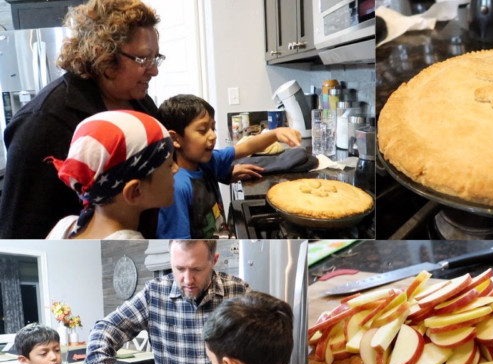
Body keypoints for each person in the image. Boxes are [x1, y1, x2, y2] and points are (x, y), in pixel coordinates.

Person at [0, 0, 163, 239]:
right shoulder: (44, 123)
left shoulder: (141, 104)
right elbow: (20, 231)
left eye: (156, 58)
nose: (154, 70)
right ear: (104, 57)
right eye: (143, 59)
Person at [82, 240, 250, 364]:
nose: (187, 280)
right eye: (179, 269)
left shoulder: (239, 292)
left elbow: (259, 345)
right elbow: (105, 329)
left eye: (196, 269)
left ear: (214, 260)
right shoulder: (153, 294)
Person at [155, 94, 302, 238]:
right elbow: (180, 242)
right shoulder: (176, 187)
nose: (213, 136)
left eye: (213, 128)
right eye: (202, 130)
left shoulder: (206, 162)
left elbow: (246, 148)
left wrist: (276, 133)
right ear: (175, 138)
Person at [45, 110, 177, 239]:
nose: (176, 169)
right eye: (169, 165)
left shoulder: (64, 227)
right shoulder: (130, 247)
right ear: (134, 191)